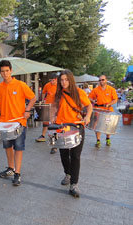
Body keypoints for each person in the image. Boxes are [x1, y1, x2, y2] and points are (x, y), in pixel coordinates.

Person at [0, 60, 36, 186]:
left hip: (18, 122)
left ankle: (17, 173)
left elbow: (33, 98)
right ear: (0, 72)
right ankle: (10, 169)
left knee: (18, 148)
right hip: (4, 123)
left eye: (7, 71)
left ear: (11, 71)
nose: (5, 73)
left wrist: (28, 110)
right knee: (7, 147)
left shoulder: (20, 85)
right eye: (2, 71)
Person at [54, 69, 92, 197]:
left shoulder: (79, 92)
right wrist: (52, 116)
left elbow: (89, 106)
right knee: (64, 155)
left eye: (66, 80)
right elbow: (54, 108)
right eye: (62, 80)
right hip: (62, 128)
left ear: (71, 80)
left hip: (77, 127)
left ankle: (74, 184)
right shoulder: (58, 94)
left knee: (75, 156)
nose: (64, 82)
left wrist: (87, 117)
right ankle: (68, 174)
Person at [88, 75, 117, 148]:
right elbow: (89, 97)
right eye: (100, 80)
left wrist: (109, 104)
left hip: (108, 110)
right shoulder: (96, 90)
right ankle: (98, 140)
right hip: (98, 109)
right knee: (97, 125)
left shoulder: (111, 89)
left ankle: (108, 138)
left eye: (103, 80)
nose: (101, 81)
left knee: (108, 124)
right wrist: (93, 100)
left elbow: (115, 100)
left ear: (106, 80)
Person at [35, 72, 58, 154]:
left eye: (53, 80)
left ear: (56, 80)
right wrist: (41, 101)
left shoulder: (59, 86)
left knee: (54, 125)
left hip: (56, 107)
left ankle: (54, 145)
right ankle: (43, 135)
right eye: (50, 80)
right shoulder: (47, 85)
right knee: (45, 122)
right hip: (47, 105)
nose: (51, 82)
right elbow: (43, 93)